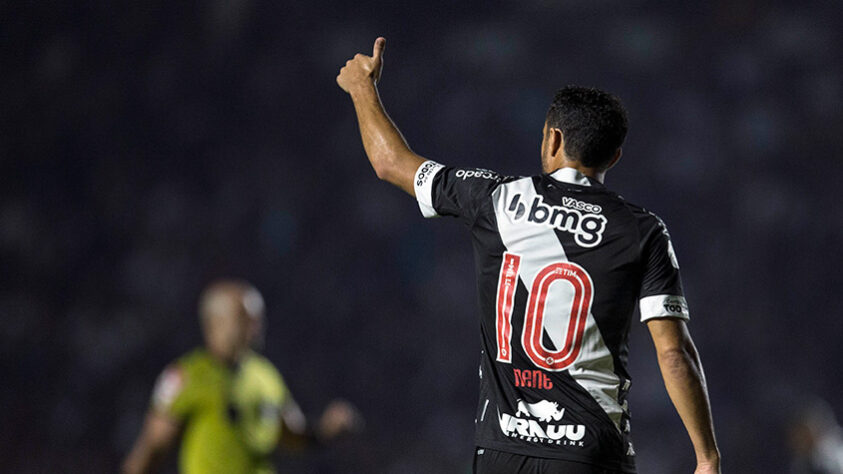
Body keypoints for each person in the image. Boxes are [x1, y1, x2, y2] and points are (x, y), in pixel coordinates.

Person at [336, 37, 720, 473]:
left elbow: (390, 163)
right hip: (589, 454)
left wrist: (362, 89)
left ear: (553, 138)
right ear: (614, 155)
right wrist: (706, 456)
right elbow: (673, 353)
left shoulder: (494, 198)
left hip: (502, 451)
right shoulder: (642, 230)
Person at [122, 280, 361, 474]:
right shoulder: (187, 376)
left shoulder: (264, 375)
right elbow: (152, 447)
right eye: (244, 318)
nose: (255, 326)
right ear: (216, 323)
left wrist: (325, 430)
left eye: (257, 319)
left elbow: (289, 434)